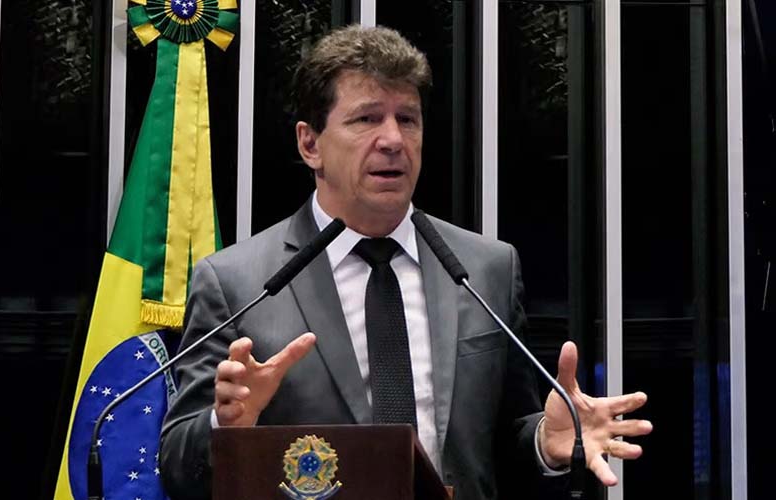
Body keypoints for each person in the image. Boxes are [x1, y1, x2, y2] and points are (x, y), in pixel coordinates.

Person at [159, 25, 652, 500]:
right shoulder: (238, 282)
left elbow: (500, 446)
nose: (393, 139)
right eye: (366, 119)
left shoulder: (485, 270)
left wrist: (545, 440)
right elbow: (178, 468)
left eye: (408, 119)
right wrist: (228, 425)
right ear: (310, 144)